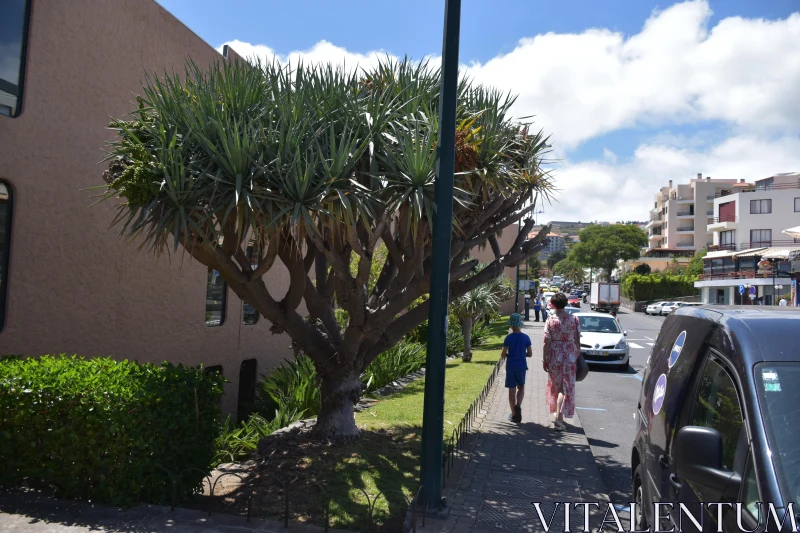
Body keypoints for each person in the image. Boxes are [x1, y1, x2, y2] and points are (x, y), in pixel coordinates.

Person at [543, 293, 581, 431]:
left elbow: (546, 341)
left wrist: (544, 358)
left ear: (553, 304)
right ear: (565, 303)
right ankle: (559, 417)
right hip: (570, 357)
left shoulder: (550, 320)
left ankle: (558, 416)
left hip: (554, 355)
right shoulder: (574, 319)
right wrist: (578, 354)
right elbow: (577, 340)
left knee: (557, 387)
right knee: (565, 388)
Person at [501, 313, 533, 423]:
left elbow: (503, 354)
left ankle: (514, 414)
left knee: (511, 390)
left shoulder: (508, 338)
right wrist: (521, 354)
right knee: (521, 387)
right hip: (522, 366)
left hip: (511, 366)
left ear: (511, 325)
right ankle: (518, 404)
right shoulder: (526, 338)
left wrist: (510, 354)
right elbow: (530, 354)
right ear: (520, 324)